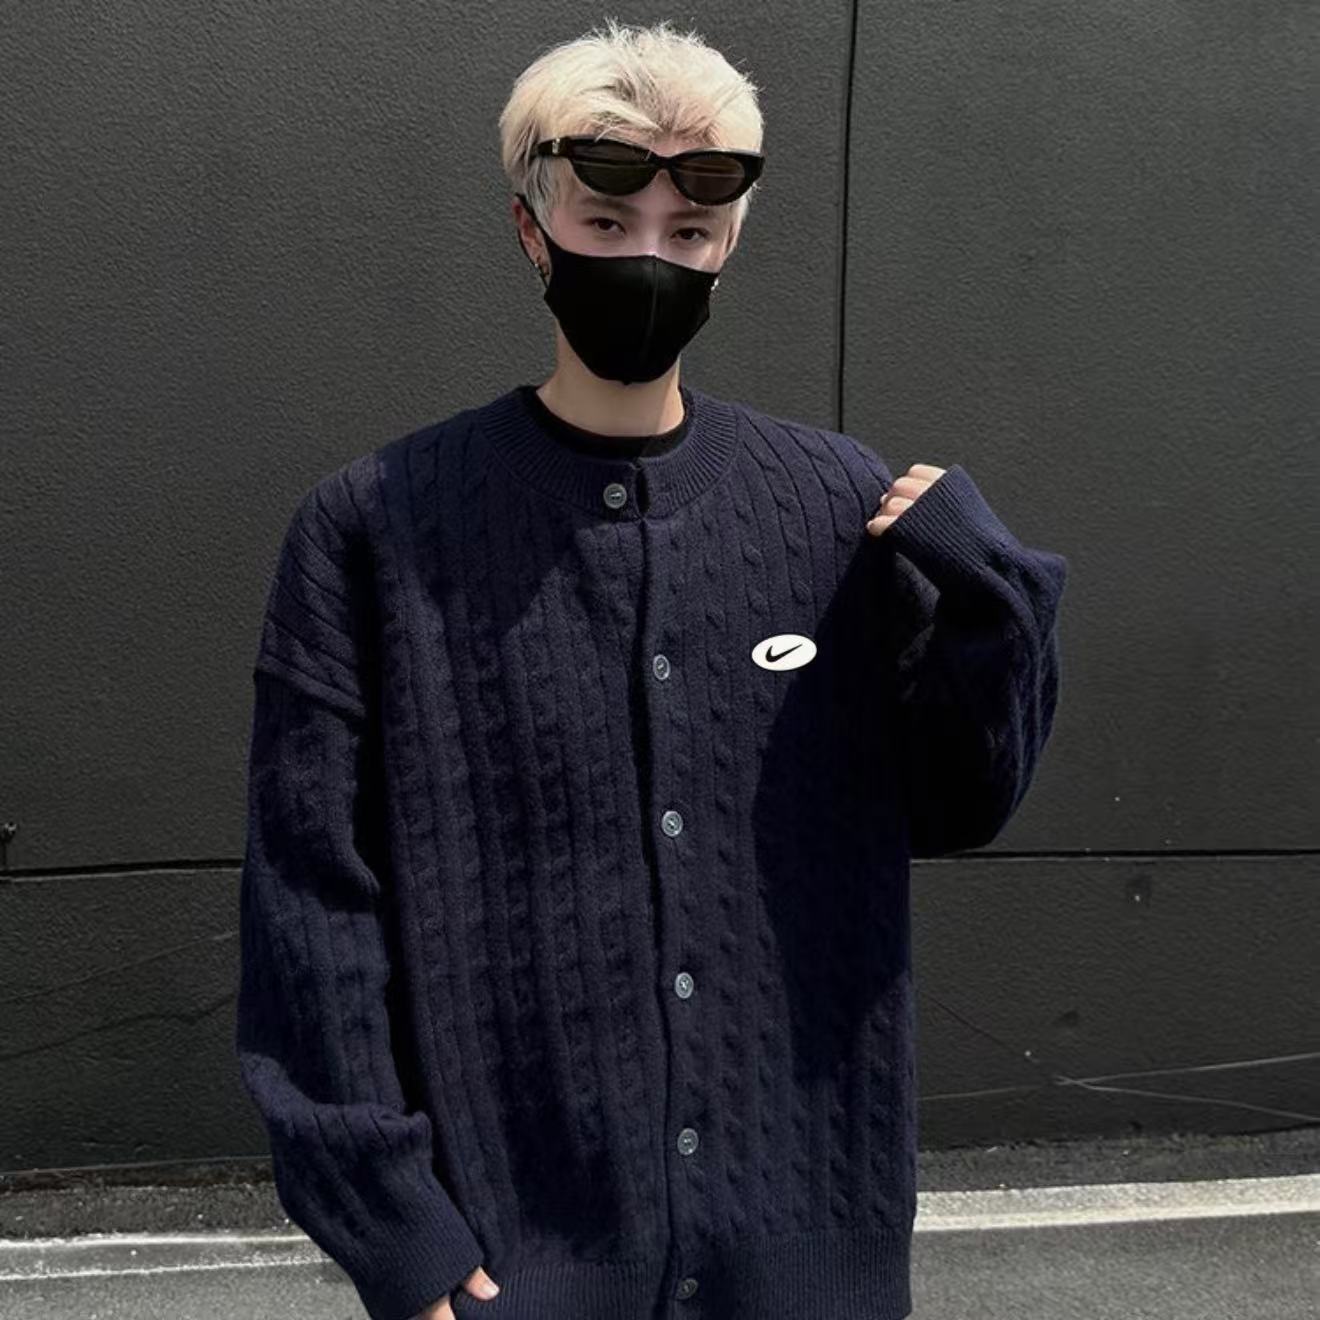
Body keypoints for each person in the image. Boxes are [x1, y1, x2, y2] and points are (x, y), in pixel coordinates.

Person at [235, 17, 1069, 1320]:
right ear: (532, 232)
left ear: (728, 247)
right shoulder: (377, 527)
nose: (650, 259)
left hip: (806, 1261)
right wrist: (391, 1226)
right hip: (516, 1261)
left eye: (690, 231)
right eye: (609, 223)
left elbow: (959, 802)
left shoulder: (830, 506)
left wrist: (994, 601)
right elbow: (310, 908)